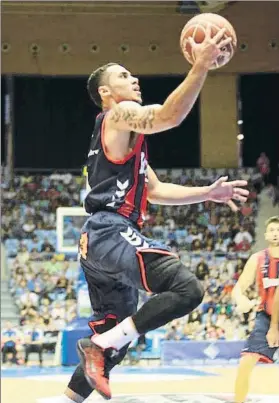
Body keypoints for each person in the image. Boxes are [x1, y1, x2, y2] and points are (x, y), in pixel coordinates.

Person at [60, 27, 249, 403]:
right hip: (110, 231)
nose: (134, 79)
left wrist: (207, 194)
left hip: (95, 244)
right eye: (124, 76)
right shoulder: (120, 114)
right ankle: (98, 345)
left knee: (114, 346)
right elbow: (168, 116)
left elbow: (157, 191)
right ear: (106, 93)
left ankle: (72, 393)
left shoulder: (120, 136)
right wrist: (201, 66)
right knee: (187, 289)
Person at [232, 216, 279, 403]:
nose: (276, 233)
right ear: (266, 234)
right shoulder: (257, 259)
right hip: (265, 317)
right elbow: (239, 288)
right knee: (245, 363)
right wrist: (240, 299)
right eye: (273, 230)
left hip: (272, 322)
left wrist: (274, 327)